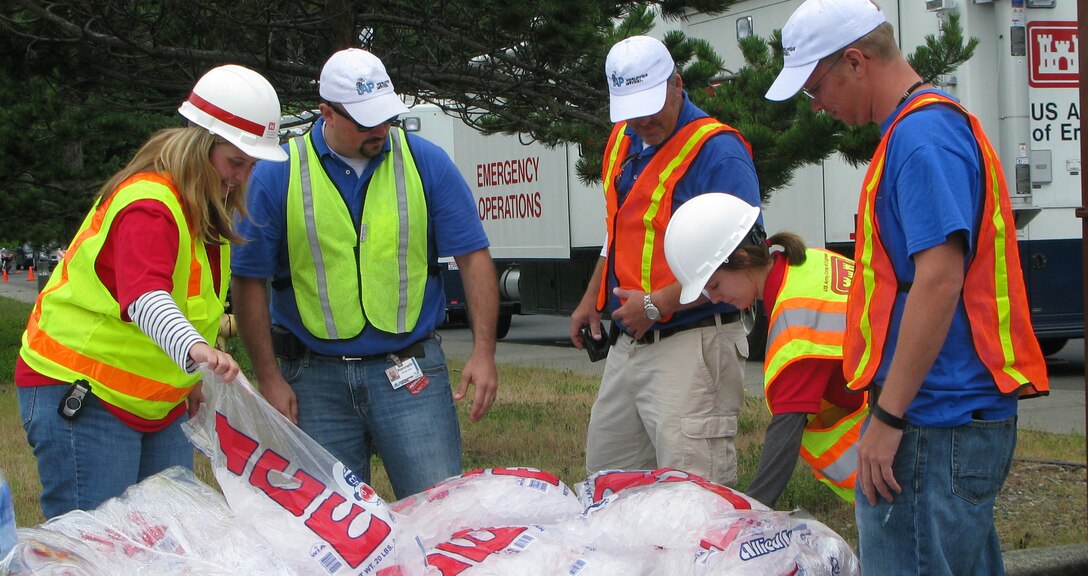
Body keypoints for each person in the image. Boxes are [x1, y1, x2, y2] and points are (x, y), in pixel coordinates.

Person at [766, 0, 1050, 573]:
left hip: (933, 421)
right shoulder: (925, 129)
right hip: (945, 419)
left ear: (854, 61)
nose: (818, 106)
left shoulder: (921, 139)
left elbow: (939, 281)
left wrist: (889, 418)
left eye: (815, 88)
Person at [16, 64, 288, 519]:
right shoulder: (150, 203)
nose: (242, 176)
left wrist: (187, 378)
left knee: (166, 538)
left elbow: (189, 302)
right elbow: (146, 298)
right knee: (97, 550)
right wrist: (197, 352)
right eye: (235, 162)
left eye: (251, 165)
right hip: (85, 391)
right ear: (200, 145)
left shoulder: (199, 206)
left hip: (153, 400)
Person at [231, 48, 500, 500]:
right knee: (332, 529)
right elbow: (248, 280)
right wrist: (269, 378)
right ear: (327, 114)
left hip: (410, 369)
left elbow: (474, 257)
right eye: (364, 122)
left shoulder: (425, 162)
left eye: (386, 118)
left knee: (440, 513)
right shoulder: (278, 172)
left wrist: (484, 352)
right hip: (313, 378)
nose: (379, 130)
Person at [569, 35, 761, 487]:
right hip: (630, 344)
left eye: (653, 103)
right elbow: (618, 231)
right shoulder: (623, 139)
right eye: (632, 108)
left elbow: (741, 259)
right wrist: (591, 299)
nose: (644, 119)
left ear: (678, 84)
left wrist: (655, 304)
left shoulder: (719, 151)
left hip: (693, 345)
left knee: (694, 498)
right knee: (609, 484)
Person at [663, 193, 866, 508]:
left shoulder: (797, 325)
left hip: (901, 456)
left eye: (715, 285)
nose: (715, 298)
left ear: (742, 259)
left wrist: (751, 514)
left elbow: (785, 434)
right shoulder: (813, 263)